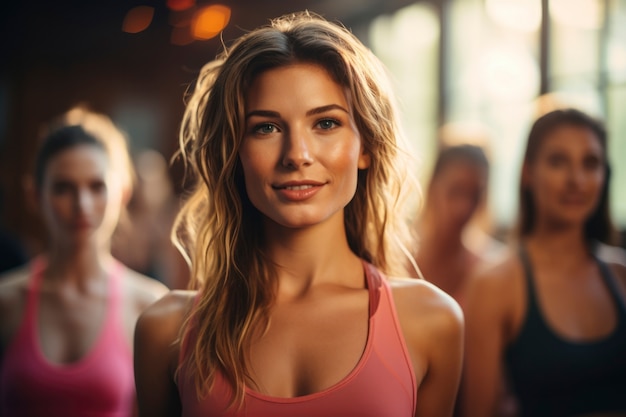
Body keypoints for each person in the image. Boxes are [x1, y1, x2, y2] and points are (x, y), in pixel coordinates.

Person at [134, 11, 464, 417]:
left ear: (366, 147)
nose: (297, 155)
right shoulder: (166, 331)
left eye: (325, 123)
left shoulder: (432, 321)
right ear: (234, 154)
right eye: (266, 128)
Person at [0, 106, 169, 417]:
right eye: (63, 188)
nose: (82, 204)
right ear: (35, 195)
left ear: (121, 193)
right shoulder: (6, 302)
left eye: (96, 186)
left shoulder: (149, 307)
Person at [459, 108, 626, 417]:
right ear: (528, 172)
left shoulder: (621, 274)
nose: (576, 180)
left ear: (605, 175)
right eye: (558, 161)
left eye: (590, 163)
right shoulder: (496, 284)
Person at [409, 141, 503, 305]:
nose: (464, 207)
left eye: (474, 195)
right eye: (455, 191)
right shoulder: (398, 256)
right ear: (433, 187)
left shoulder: (490, 267)